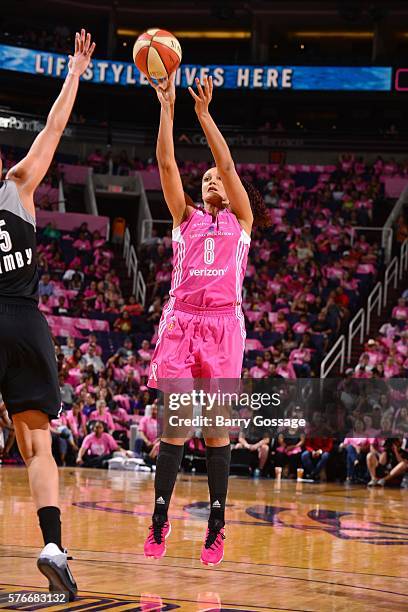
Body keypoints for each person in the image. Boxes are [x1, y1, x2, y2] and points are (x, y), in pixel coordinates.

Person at [144, 73, 269, 566]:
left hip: (223, 325)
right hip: (181, 321)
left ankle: (216, 525)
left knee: (216, 432)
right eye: (206, 179)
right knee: (174, 429)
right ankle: (159, 518)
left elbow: (226, 163)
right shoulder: (184, 218)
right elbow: (166, 162)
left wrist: (203, 115)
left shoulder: (241, 222)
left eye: (216, 178)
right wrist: (168, 106)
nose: (211, 179)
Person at [0, 29, 95, 600]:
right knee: (37, 444)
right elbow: (54, 129)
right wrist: (75, 72)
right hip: (25, 319)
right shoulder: (16, 186)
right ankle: (53, 546)